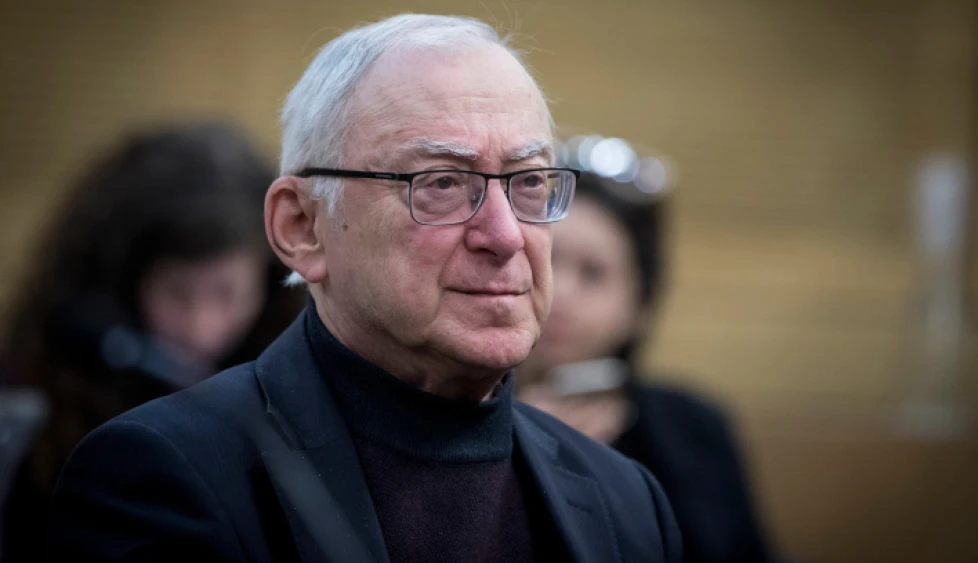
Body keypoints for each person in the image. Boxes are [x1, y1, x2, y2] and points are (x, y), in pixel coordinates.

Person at [46, 14, 683, 563]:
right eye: (440, 183)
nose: (505, 235)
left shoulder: (625, 498)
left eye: (529, 182)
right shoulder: (163, 475)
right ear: (302, 227)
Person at [0, 122, 304, 562]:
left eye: (227, 293)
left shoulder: (288, 382)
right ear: (123, 283)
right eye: (178, 293)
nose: (203, 329)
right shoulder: (37, 404)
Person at [517, 154, 777, 562]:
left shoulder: (692, 428)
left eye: (594, 273)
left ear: (640, 307)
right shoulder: (463, 420)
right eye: (549, 260)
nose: (561, 292)